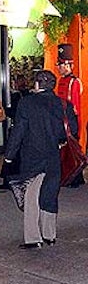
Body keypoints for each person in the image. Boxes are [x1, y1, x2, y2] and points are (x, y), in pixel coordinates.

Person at [4, 70, 77, 249]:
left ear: (37, 84)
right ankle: (50, 235)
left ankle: (33, 238)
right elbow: (72, 129)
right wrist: (58, 140)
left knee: (31, 197)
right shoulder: (63, 104)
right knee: (50, 194)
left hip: (32, 156)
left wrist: (9, 156)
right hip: (54, 155)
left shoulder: (27, 103)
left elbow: (19, 131)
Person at [56, 43, 84, 187]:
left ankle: (76, 178)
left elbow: (75, 107)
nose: (58, 68)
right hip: (62, 119)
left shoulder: (74, 82)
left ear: (67, 65)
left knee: (72, 149)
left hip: (70, 121)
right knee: (65, 151)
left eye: (60, 65)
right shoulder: (62, 80)